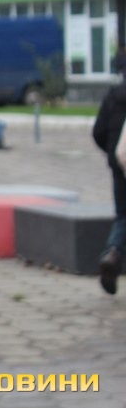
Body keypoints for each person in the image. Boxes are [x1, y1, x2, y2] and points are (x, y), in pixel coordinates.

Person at [90, 79, 126, 295]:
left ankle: (112, 253)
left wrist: (113, 152)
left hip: (120, 164)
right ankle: (114, 255)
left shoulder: (114, 94)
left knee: (122, 215)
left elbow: (98, 132)